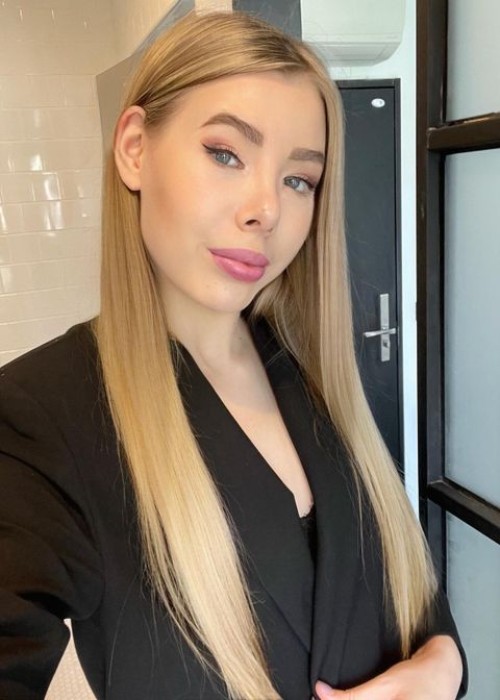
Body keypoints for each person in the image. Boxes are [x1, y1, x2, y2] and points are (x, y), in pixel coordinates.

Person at [0, 10, 466, 700]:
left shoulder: (313, 374)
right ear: (135, 149)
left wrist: (444, 665)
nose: (265, 210)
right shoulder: (41, 418)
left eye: (299, 180)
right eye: (225, 154)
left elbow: (404, 590)